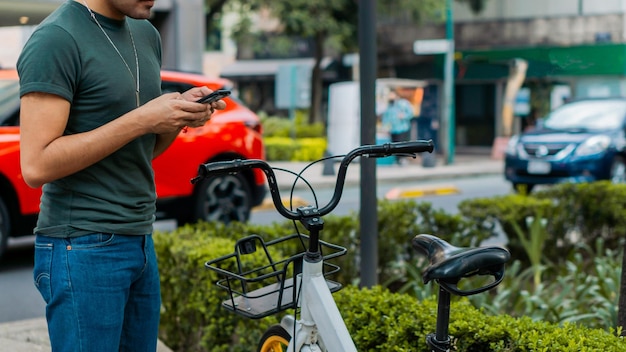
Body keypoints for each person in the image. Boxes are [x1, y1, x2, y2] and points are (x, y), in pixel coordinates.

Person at [17, 0, 225, 350]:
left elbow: (138, 150)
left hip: (140, 238)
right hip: (81, 245)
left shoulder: (145, 33)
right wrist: (142, 119)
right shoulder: (56, 38)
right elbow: (36, 166)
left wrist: (177, 116)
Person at [382, 90, 414, 165]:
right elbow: (386, 117)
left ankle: (403, 159)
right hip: (393, 129)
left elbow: (410, 113)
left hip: (402, 128)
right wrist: (385, 127)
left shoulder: (403, 103)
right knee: (393, 145)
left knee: (402, 144)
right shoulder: (390, 105)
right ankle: (397, 160)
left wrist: (404, 116)